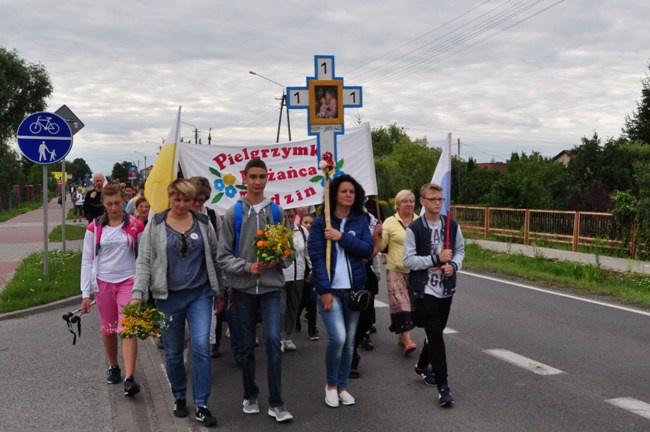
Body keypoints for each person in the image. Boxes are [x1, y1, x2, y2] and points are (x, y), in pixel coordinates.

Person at [131, 178, 225, 427]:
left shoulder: (204, 223)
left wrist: (220, 291)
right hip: (167, 298)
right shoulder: (156, 224)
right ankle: (180, 395)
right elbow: (143, 262)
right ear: (170, 197)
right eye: (178, 199)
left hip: (199, 295)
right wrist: (138, 293)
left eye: (187, 199)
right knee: (173, 353)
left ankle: (202, 404)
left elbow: (214, 258)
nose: (182, 204)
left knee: (201, 347)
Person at [217, 158, 294, 423]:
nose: (258, 182)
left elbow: (289, 251)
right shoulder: (233, 214)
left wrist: (279, 258)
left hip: (272, 288)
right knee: (247, 346)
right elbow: (223, 256)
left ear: (267, 178)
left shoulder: (278, 213)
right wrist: (247, 267)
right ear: (245, 178)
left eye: (262, 176)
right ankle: (250, 393)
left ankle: (277, 402)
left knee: (273, 340)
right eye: (253, 177)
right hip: (243, 289)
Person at [308, 174, 374, 408]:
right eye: (344, 191)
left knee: (349, 342)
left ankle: (343, 386)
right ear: (334, 194)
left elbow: (367, 250)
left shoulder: (360, 221)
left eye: (352, 192)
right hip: (331, 292)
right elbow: (316, 257)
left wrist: (342, 237)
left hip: (354, 291)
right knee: (338, 338)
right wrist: (323, 290)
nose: (348, 195)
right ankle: (331, 386)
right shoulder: (321, 222)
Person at [79, 185, 145, 397]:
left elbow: (144, 258)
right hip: (103, 282)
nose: (115, 207)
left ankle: (129, 377)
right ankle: (114, 365)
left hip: (129, 281)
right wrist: (85, 294)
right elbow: (87, 261)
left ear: (123, 201)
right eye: (110, 204)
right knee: (108, 328)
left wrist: (143, 286)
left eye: (118, 203)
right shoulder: (94, 228)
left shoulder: (135, 225)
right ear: (103, 205)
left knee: (127, 328)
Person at [403, 183, 465, 408]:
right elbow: (408, 260)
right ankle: (443, 387)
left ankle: (421, 365)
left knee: (435, 332)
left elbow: (459, 251)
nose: (438, 203)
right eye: (433, 199)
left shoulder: (451, 225)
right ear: (423, 201)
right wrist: (435, 259)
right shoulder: (415, 229)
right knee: (437, 338)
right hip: (425, 289)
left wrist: (453, 266)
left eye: (440, 199)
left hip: (446, 289)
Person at [188, 176, 225, 359]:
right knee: (183, 337)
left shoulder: (210, 217)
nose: (196, 203)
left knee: (206, 337)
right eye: (193, 199)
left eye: (201, 200)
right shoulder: (172, 217)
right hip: (180, 287)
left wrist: (219, 289)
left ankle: (203, 373)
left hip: (205, 286)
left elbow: (217, 252)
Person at [380, 190, 418, 355]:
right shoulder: (389, 222)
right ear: (397, 204)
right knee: (402, 304)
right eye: (405, 201)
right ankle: (407, 339)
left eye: (411, 201)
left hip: (416, 270)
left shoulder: (420, 221)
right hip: (396, 269)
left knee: (413, 305)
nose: (408, 204)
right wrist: (378, 235)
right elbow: (381, 247)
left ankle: (402, 335)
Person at [280, 208, 309, 352]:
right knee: (281, 308)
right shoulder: (277, 232)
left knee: (293, 307)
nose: (290, 219)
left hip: (298, 276)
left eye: (292, 216)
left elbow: (307, 252)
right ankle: (278, 337)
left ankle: (288, 337)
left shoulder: (302, 231)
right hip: (282, 276)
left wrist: (312, 269)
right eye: (287, 216)